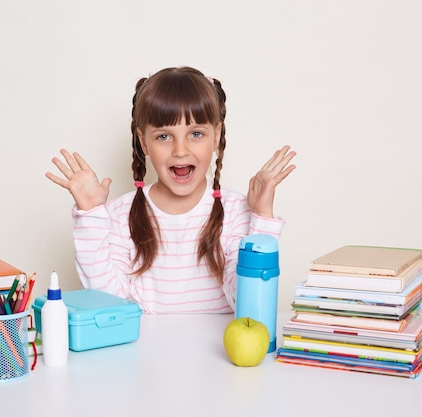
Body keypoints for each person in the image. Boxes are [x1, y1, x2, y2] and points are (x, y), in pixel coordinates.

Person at [46, 66, 296, 314]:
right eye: (164, 137)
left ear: (217, 136)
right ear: (144, 141)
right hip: (142, 352)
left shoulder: (237, 213)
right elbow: (108, 305)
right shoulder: (119, 215)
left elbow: (250, 307)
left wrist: (262, 217)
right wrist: (90, 215)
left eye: (196, 133)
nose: (180, 150)